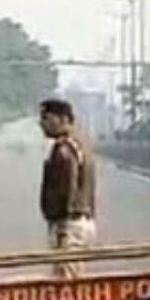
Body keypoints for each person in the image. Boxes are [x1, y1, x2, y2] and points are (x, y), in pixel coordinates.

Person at [39, 98, 97, 279]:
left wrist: (62, 225)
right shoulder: (81, 145)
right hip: (83, 222)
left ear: (63, 119)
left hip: (68, 225)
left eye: (46, 118)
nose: (42, 123)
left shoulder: (63, 149)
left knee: (66, 285)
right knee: (74, 277)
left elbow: (68, 185)